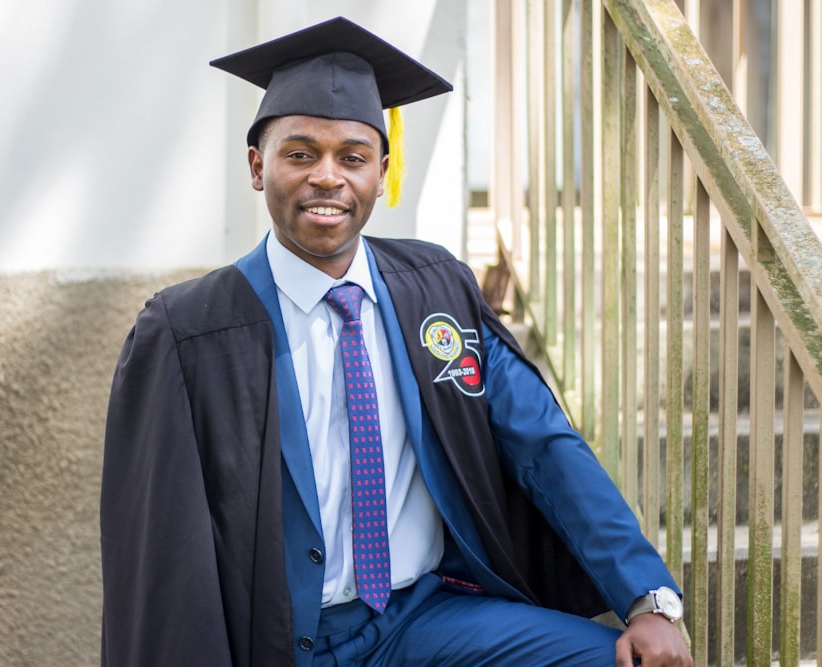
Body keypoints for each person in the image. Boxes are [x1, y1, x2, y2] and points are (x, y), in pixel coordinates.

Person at [100, 16, 693, 667]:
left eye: (352, 157)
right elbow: (163, 549)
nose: (328, 177)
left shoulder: (435, 287)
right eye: (301, 154)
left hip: (423, 616)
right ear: (256, 166)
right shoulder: (191, 331)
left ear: (382, 172)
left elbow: (544, 445)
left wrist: (647, 597)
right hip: (282, 642)